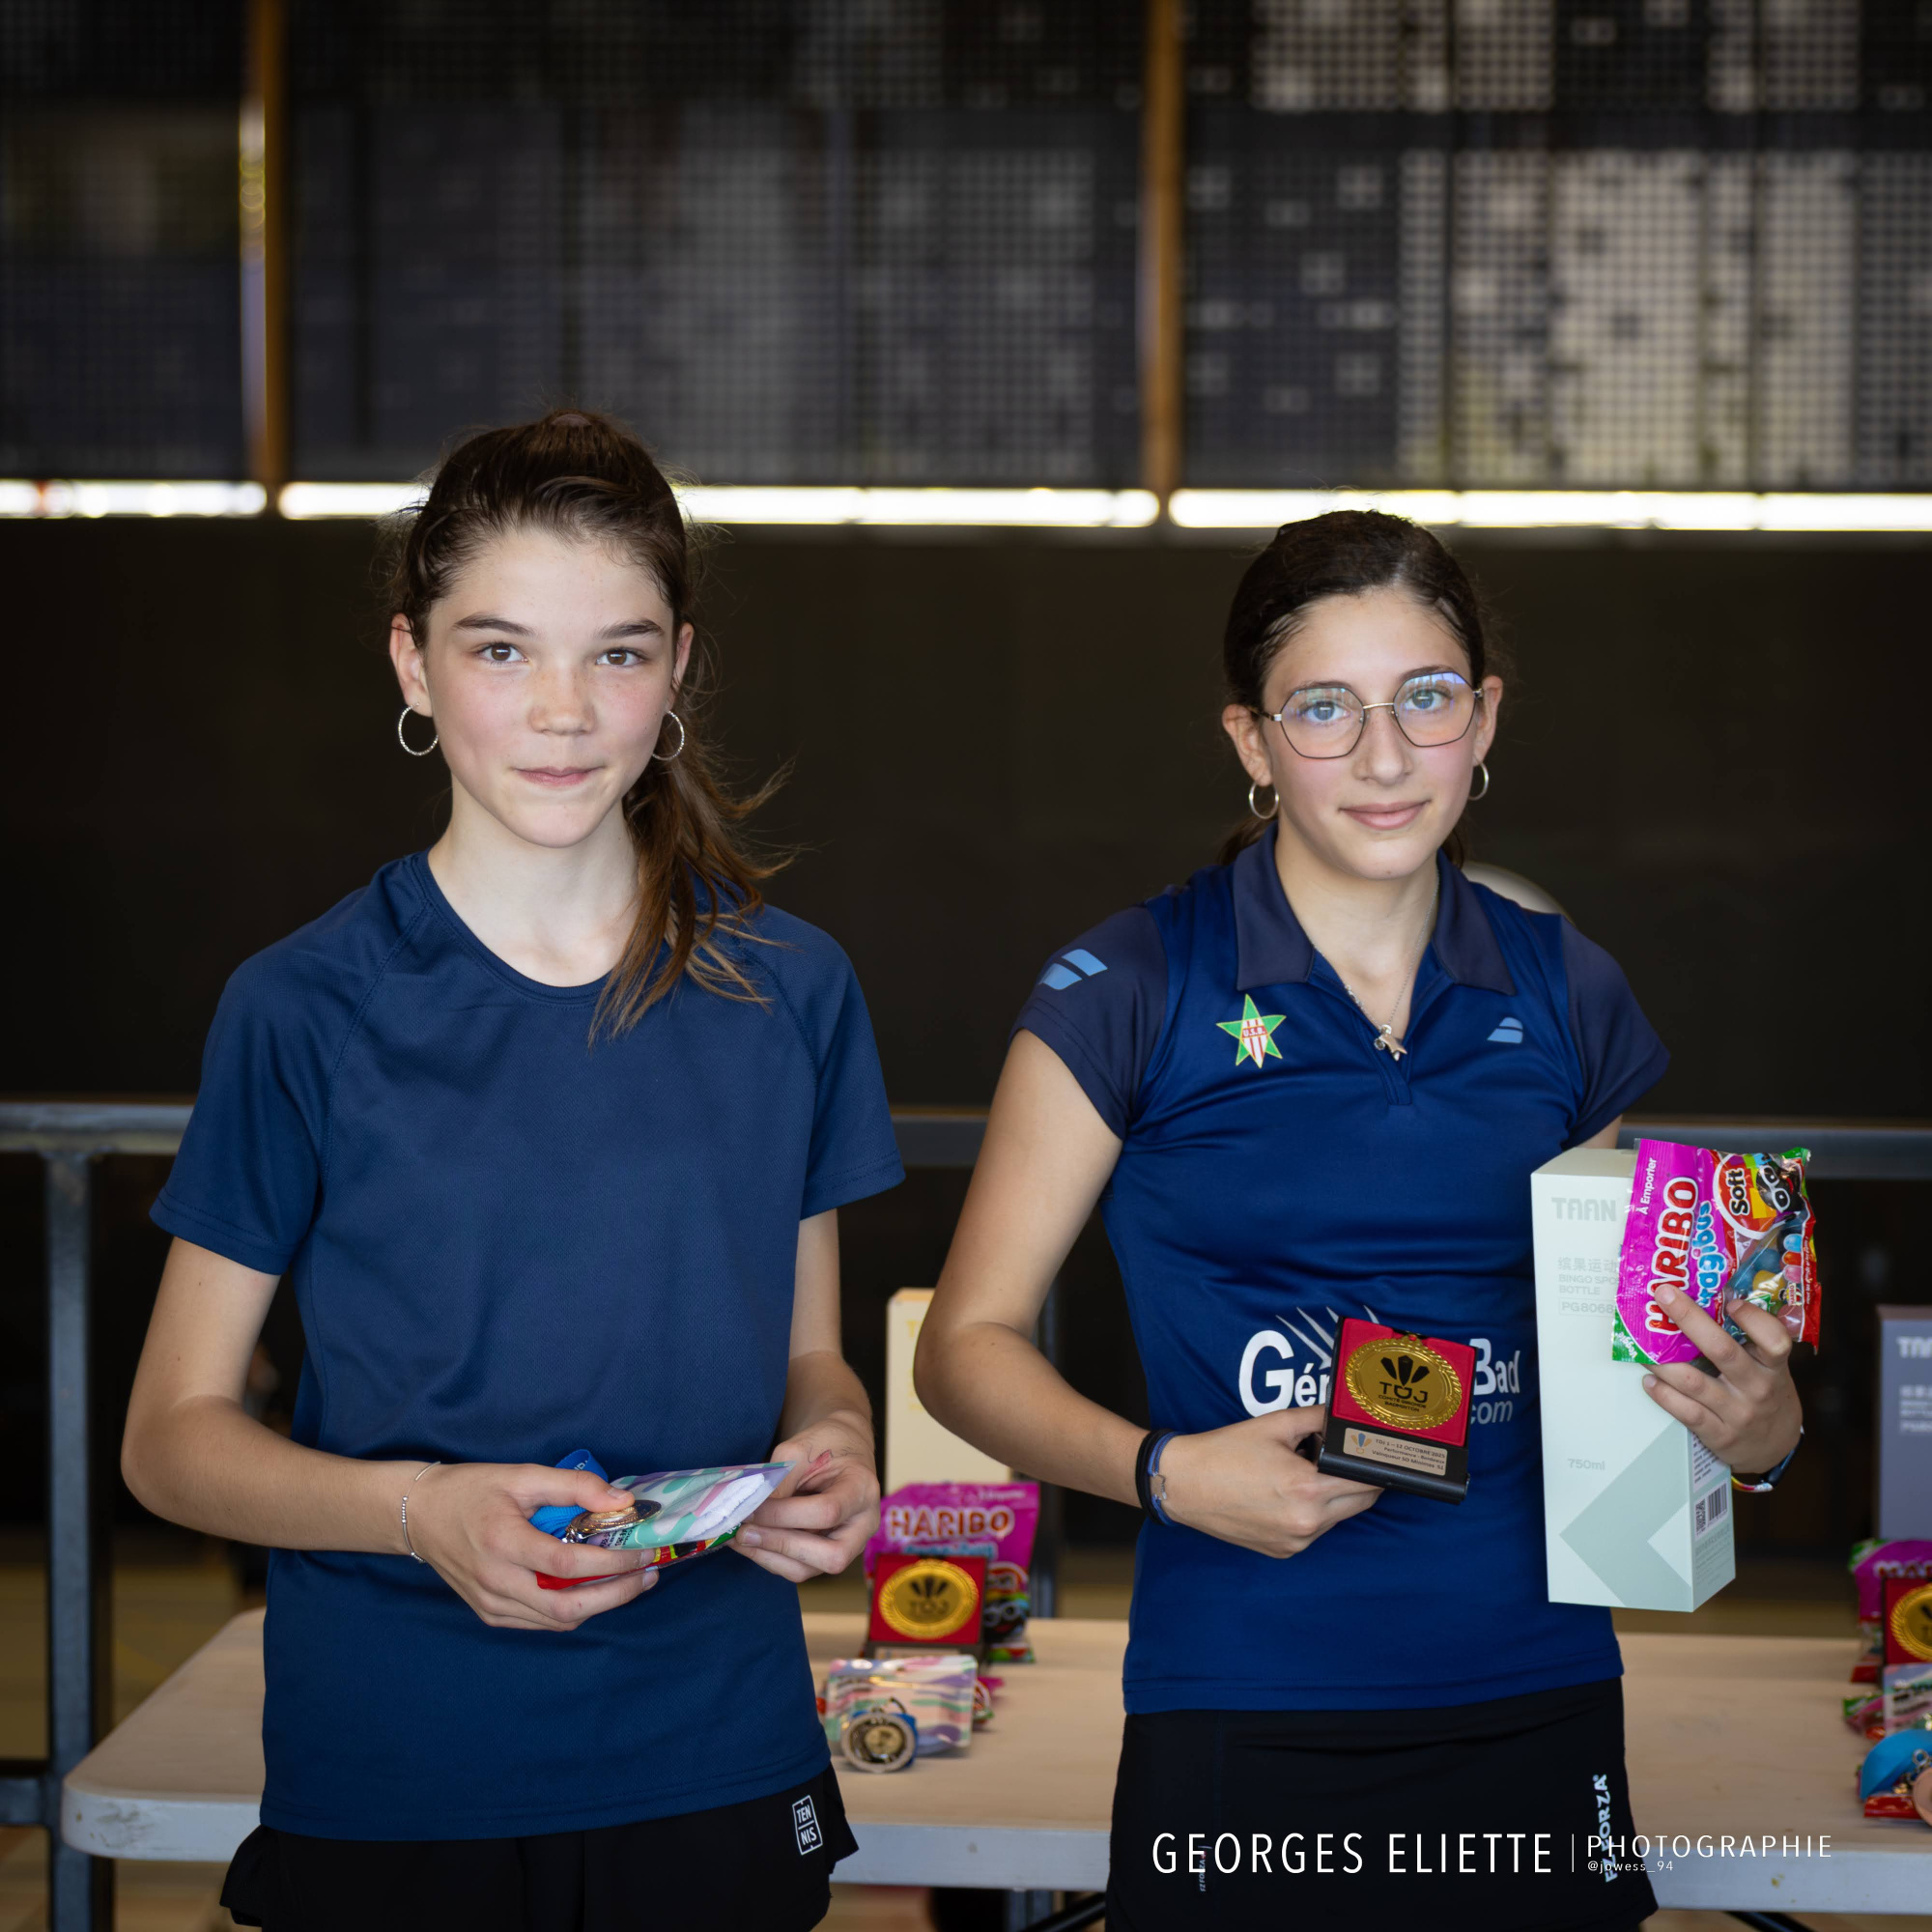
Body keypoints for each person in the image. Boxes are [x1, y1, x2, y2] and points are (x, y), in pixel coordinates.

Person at [913, 511, 1804, 1931]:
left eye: (1425, 699)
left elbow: (1623, 1360)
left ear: (1483, 718)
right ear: (1253, 742)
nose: (1385, 758)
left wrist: (1757, 1440)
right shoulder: (1130, 987)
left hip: (1535, 1686)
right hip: (1243, 1694)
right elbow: (964, 1345)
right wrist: (1163, 1474)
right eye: (1325, 708)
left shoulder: (1566, 988)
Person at [121, 410, 903, 1932]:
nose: (563, 710)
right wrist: (421, 1514)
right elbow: (169, 1440)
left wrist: (832, 1451)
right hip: (405, 1759)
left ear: (678, 669)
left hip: (715, 1745)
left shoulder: (791, 991)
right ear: (413, 665)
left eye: (617, 654)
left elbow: (811, 1361)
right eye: (501, 651)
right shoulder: (303, 1008)